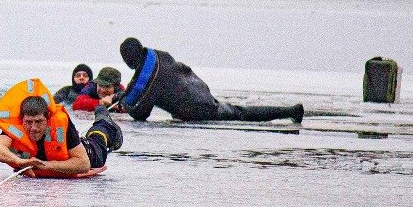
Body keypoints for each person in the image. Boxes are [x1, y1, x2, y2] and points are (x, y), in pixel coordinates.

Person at [115, 37, 304, 123]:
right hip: (200, 91)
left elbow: (141, 114)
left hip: (197, 109)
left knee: (242, 114)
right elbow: (141, 80)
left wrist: (124, 101)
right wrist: (126, 93)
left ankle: (291, 111)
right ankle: (289, 111)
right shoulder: (158, 55)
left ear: (130, 57)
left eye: (125, 59)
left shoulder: (151, 78)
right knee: (237, 111)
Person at [0, 78, 123, 176]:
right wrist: (19, 161)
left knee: (99, 133)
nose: (33, 128)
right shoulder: (15, 128)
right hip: (63, 154)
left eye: (38, 121)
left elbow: (83, 164)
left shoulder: (61, 123)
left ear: (47, 119)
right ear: (22, 120)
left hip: (91, 152)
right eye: (29, 122)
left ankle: (103, 116)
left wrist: (44, 165)